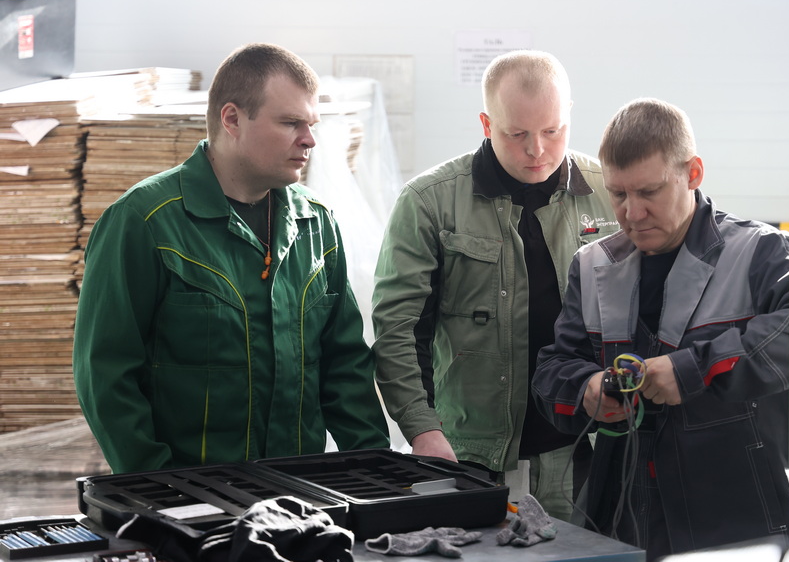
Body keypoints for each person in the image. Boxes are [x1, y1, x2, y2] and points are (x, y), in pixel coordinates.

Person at [73, 43, 390, 474]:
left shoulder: (316, 224)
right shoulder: (144, 222)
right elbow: (106, 376)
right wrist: (161, 486)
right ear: (232, 119)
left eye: (310, 124)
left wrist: (378, 473)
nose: (309, 139)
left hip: (299, 492)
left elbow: (345, 366)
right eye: (290, 123)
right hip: (190, 497)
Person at [532, 98, 789, 559]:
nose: (632, 213)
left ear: (693, 173)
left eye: (650, 192)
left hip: (741, 527)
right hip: (621, 526)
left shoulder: (761, 253)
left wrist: (692, 370)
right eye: (618, 194)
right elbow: (552, 371)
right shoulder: (592, 266)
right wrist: (586, 389)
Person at [371, 50, 619, 519]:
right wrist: (422, 430)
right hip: (470, 457)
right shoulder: (429, 203)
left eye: (552, 131)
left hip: (585, 453)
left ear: (569, 116)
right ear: (487, 124)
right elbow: (398, 329)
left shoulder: (610, 191)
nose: (537, 150)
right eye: (517, 134)